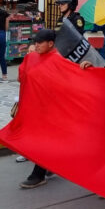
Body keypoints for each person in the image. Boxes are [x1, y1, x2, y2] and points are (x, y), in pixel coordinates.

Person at [19, 30, 63, 188]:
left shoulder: (58, 61)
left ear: (50, 44)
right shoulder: (32, 57)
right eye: (35, 42)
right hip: (35, 106)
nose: (36, 45)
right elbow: (22, 77)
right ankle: (49, 165)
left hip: (51, 110)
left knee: (43, 140)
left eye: (40, 43)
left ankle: (38, 174)